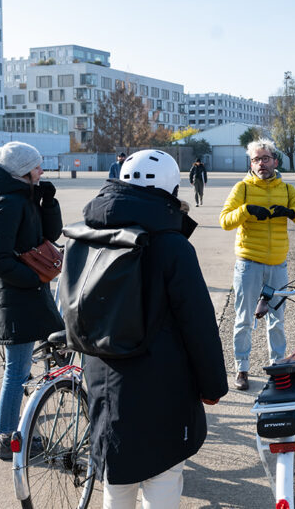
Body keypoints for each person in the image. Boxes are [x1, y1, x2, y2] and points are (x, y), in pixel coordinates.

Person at [73, 149, 228, 508]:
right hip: (162, 379)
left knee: (116, 473)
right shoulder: (171, 244)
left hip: (102, 373)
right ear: (172, 190)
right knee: (164, 473)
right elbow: (198, 324)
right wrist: (212, 385)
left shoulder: (88, 233)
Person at [0, 142, 65, 460]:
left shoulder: (27, 196)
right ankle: (5, 437)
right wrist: (32, 279)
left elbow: (50, 235)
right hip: (17, 295)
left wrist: (48, 202)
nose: (42, 170)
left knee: (35, 361)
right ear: (22, 171)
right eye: (37, 166)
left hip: (31, 294)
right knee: (16, 371)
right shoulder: (5, 203)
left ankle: (23, 426)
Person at [219, 139, 295, 391]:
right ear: (250, 163)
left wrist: (291, 212)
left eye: (265, 158)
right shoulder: (243, 188)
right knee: (243, 319)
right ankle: (242, 368)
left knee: (277, 320)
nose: (261, 163)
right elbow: (225, 221)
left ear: (275, 160)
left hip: (277, 265)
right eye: (256, 159)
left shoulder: (286, 190)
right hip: (249, 263)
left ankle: (277, 367)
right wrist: (246, 210)